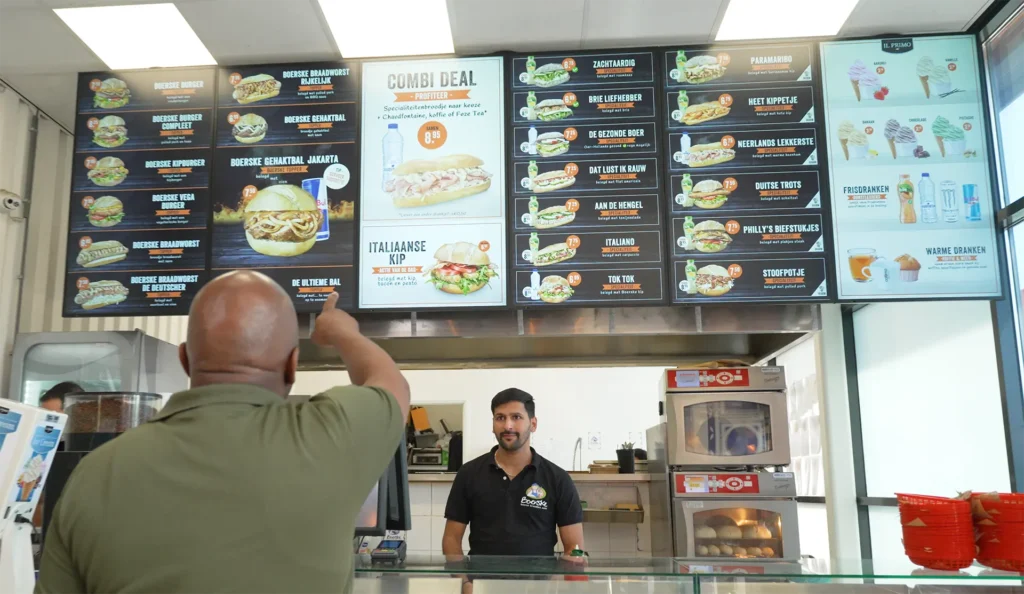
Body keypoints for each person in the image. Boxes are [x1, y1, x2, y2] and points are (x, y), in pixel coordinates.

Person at [36, 271, 410, 594]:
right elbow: (391, 385)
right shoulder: (331, 433)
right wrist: (344, 333)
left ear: (184, 360)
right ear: (292, 366)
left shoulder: (94, 473)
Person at [442, 388, 584, 557]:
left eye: (516, 417)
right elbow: (451, 539)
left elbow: (574, 548)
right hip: (481, 582)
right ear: (493, 424)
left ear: (533, 424)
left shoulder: (558, 478)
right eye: (500, 418)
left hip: (539, 583)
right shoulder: (469, 474)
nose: (507, 425)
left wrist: (557, 581)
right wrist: (465, 583)